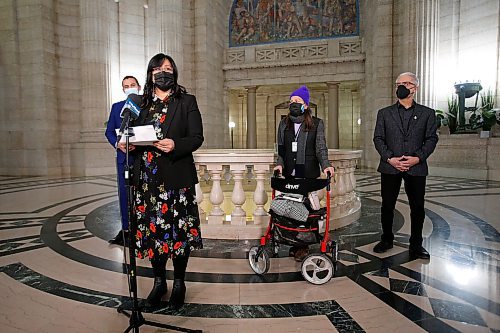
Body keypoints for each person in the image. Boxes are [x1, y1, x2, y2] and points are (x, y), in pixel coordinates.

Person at [119, 53, 203, 310]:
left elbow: (197, 137)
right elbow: (127, 133)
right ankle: (159, 282)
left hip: (177, 178)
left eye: (167, 68)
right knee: (152, 234)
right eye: (157, 68)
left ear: (174, 73)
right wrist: (125, 142)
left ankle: (179, 283)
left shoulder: (186, 101)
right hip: (147, 182)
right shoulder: (139, 103)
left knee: (178, 232)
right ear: (150, 73)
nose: (162, 72)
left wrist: (176, 144)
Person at [372, 72, 438, 260]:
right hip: (390, 166)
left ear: (414, 88)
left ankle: (416, 245)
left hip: (416, 167)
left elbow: (432, 138)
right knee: (387, 205)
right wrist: (390, 158)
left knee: (417, 207)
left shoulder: (427, 113)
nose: (400, 86)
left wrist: (417, 158)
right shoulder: (384, 113)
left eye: (406, 83)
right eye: (398, 83)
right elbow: (378, 138)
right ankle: (386, 239)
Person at [273, 85, 335, 261]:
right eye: (292, 101)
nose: (293, 104)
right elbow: (281, 149)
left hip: (308, 172)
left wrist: (326, 165)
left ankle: (303, 245)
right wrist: (279, 164)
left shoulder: (316, 123)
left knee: (306, 210)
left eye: (298, 101)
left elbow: (320, 148)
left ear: (306, 105)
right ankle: (293, 241)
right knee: (290, 209)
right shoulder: (283, 123)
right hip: (290, 173)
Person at [105, 76, 141, 246]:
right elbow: (109, 132)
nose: (129, 88)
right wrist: (117, 144)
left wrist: (138, 145)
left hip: (142, 157)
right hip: (123, 158)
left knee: (142, 195)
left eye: (132, 85)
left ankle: (142, 229)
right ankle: (126, 230)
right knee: (124, 195)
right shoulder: (117, 107)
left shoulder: (146, 106)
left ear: (139, 87)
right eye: (126, 86)